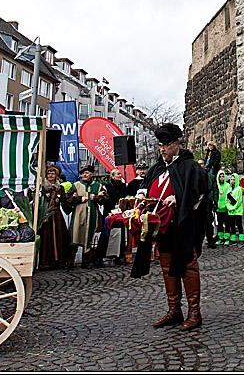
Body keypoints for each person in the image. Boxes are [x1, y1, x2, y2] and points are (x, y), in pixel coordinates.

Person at [131, 123, 210, 332]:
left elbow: (201, 193)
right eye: (160, 146)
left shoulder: (191, 166)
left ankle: (195, 312)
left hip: (183, 224)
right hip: (163, 225)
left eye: (166, 145)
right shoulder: (157, 167)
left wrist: (180, 198)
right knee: (167, 266)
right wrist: (141, 194)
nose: (162, 149)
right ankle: (174, 310)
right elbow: (146, 184)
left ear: (176, 144)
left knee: (188, 265)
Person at [70, 165, 109, 268]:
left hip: (92, 214)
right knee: (75, 235)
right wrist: (78, 199)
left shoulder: (98, 186)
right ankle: (70, 261)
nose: (84, 175)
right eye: (83, 173)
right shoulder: (76, 185)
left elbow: (105, 198)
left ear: (91, 174)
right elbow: (68, 198)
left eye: (86, 173)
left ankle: (86, 260)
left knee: (89, 237)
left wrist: (96, 197)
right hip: (79, 214)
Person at [38, 164, 73, 269]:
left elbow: (64, 201)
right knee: (46, 238)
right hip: (46, 215)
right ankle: (45, 261)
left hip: (57, 215)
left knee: (60, 236)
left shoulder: (60, 188)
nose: (50, 175)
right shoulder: (42, 187)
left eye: (53, 173)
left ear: (57, 175)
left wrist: (73, 201)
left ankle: (59, 260)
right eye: (49, 173)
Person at [96, 168, 129, 266]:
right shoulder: (107, 186)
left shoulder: (124, 186)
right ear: (112, 176)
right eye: (117, 174)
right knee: (106, 234)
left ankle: (119, 256)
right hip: (109, 213)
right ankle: (100, 256)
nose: (120, 176)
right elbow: (103, 199)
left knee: (121, 234)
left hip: (121, 213)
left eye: (120, 174)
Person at [216, 169, 233, 245]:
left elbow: (229, 195)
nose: (221, 178)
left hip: (226, 208)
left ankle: (227, 238)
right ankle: (220, 237)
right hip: (219, 208)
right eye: (220, 177)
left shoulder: (227, 185)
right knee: (219, 224)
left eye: (223, 176)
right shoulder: (217, 185)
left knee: (227, 224)